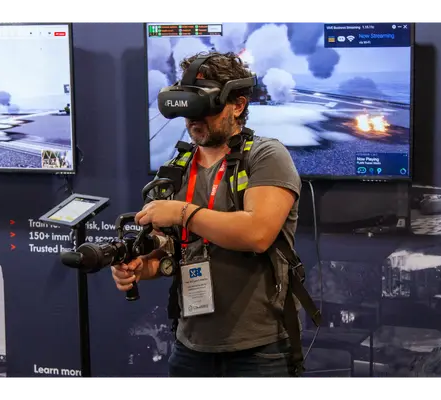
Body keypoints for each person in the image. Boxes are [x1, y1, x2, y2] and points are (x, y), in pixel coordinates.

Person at [112, 52, 302, 383]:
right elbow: (172, 251)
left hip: (260, 351)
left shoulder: (266, 156)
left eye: (204, 107)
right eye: (187, 108)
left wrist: (182, 212)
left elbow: (257, 234)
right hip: (191, 348)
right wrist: (144, 267)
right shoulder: (177, 168)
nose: (193, 119)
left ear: (238, 105)